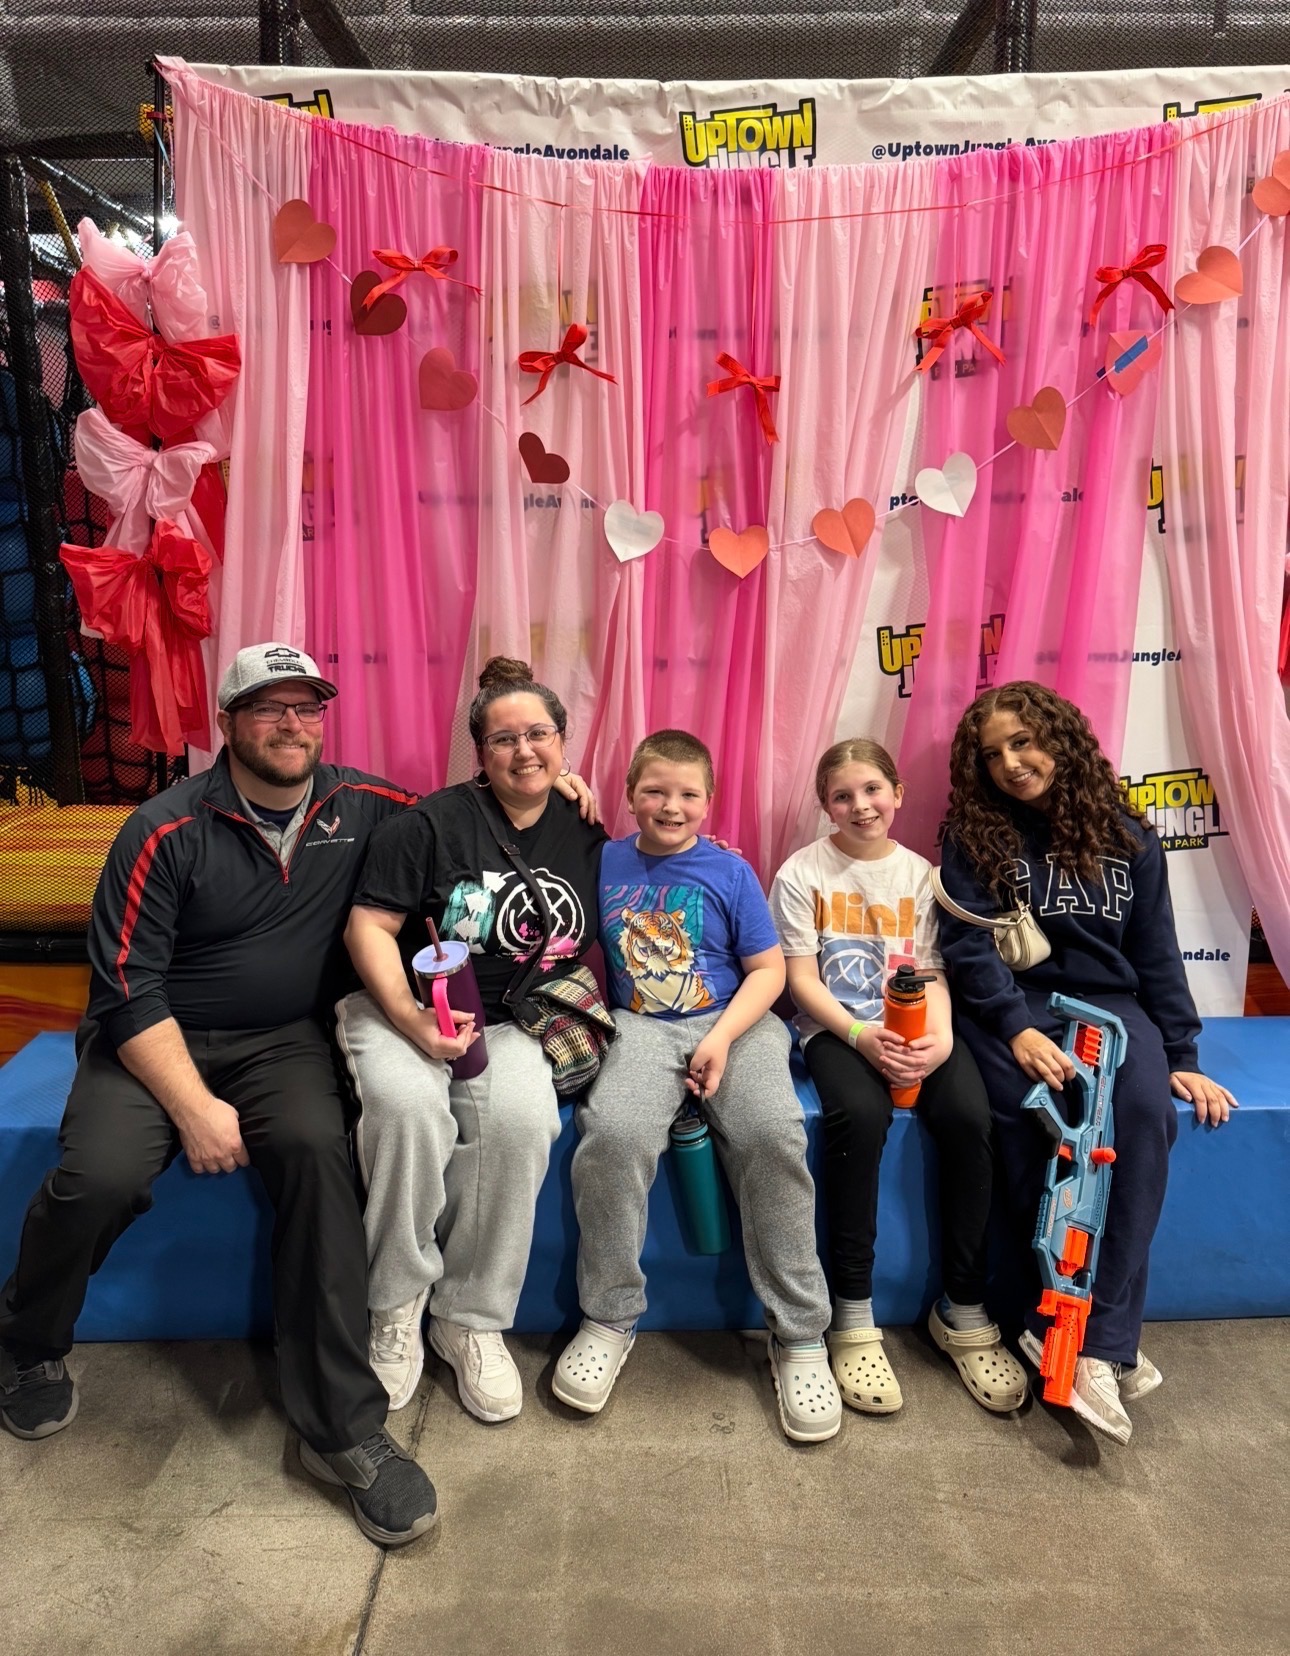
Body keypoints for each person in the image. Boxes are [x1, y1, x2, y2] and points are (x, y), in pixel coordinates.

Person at [0, 644, 440, 1546]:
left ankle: (342, 1429)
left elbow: (463, 821)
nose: (292, 725)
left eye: (307, 708)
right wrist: (194, 1107)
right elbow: (127, 989)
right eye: (269, 708)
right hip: (151, 1039)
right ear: (229, 723)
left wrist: (563, 795)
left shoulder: (365, 805)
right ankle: (26, 1343)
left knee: (319, 1158)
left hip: (281, 1044)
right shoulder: (161, 829)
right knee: (101, 1179)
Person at [936, 681, 1236, 1445]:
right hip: (1016, 1007)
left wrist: (1181, 1053)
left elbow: (1157, 953)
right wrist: (1014, 1029)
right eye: (992, 754)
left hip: (1111, 1004)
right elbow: (967, 947)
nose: (1011, 763)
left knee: (1144, 1118)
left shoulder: (1130, 836)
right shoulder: (974, 835)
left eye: (1023, 743)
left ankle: (1100, 1344)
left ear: (1060, 741)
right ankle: (1036, 1318)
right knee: (1030, 1119)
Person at [338, 657, 607, 1425]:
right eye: (504, 739)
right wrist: (409, 1018)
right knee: (408, 1110)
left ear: (563, 742)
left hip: (511, 1017)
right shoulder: (428, 825)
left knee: (522, 1122)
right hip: (401, 1006)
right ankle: (395, 1306)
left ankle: (468, 1319)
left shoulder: (582, 826)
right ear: (480, 753)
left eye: (539, 735)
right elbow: (369, 927)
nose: (524, 751)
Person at [553, 730, 841, 1443]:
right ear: (629, 795)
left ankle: (800, 1333)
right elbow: (539, 827)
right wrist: (562, 782)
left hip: (737, 1024)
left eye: (687, 794)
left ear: (709, 801)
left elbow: (768, 971)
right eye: (654, 791)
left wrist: (719, 1039)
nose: (670, 806)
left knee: (773, 1135)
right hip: (639, 1027)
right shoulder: (600, 859)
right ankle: (609, 1316)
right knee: (613, 1136)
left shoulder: (730, 870)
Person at [770, 738, 1027, 1416]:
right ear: (825, 806)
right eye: (842, 796)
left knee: (970, 1117)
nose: (860, 805)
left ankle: (963, 1306)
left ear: (898, 794)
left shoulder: (922, 876)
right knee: (860, 1117)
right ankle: (853, 1313)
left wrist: (938, 1044)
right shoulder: (801, 872)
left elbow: (934, 971)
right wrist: (859, 1036)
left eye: (872, 790)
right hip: (840, 1031)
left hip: (919, 1030)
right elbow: (801, 981)